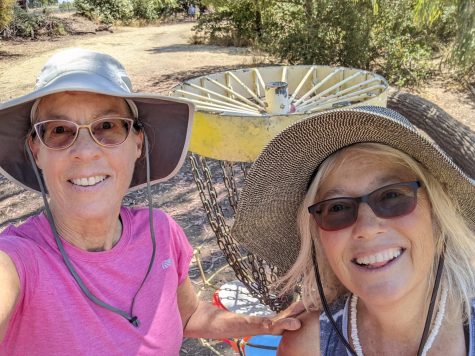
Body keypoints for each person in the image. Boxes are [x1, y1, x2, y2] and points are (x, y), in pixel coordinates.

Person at [0, 48, 302, 355]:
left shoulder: (161, 231)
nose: (86, 151)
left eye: (107, 126)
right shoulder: (17, 259)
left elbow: (189, 316)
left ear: (137, 143)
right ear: (36, 150)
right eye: (59, 131)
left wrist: (266, 325)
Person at [232, 107, 475, 355]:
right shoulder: (308, 345)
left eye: (392, 195)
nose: (367, 229)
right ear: (319, 239)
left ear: (437, 217)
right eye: (337, 208)